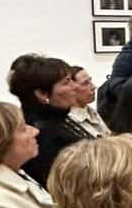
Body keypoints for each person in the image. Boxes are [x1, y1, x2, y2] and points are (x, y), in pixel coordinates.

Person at [7, 55, 94, 189]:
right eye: (66, 82)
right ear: (43, 94)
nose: (75, 86)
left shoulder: (55, 118)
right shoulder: (45, 134)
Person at [67, 67, 109, 137]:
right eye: (85, 83)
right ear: (71, 89)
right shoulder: (70, 121)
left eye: (90, 81)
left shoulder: (91, 112)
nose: (93, 87)